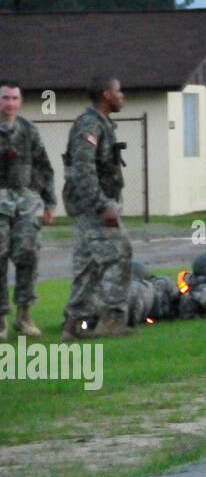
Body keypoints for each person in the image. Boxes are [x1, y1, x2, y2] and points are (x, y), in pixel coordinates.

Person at [61, 75, 135, 339]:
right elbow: (82, 169)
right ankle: (111, 320)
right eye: (118, 91)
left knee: (89, 263)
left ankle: (74, 326)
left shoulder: (102, 124)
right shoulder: (90, 124)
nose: (122, 95)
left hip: (92, 205)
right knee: (121, 252)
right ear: (106, 95)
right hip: (93, 207)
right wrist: (103, 206)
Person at [0, 81, 56, 339]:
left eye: (13, 98)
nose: (9, 103)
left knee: (28, 256)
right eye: (4, 98)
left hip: (25, 203)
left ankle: (24, 317)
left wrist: (49, 203)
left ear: (20, 101)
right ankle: (1, 319)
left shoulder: (29, 131)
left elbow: (44, 167)